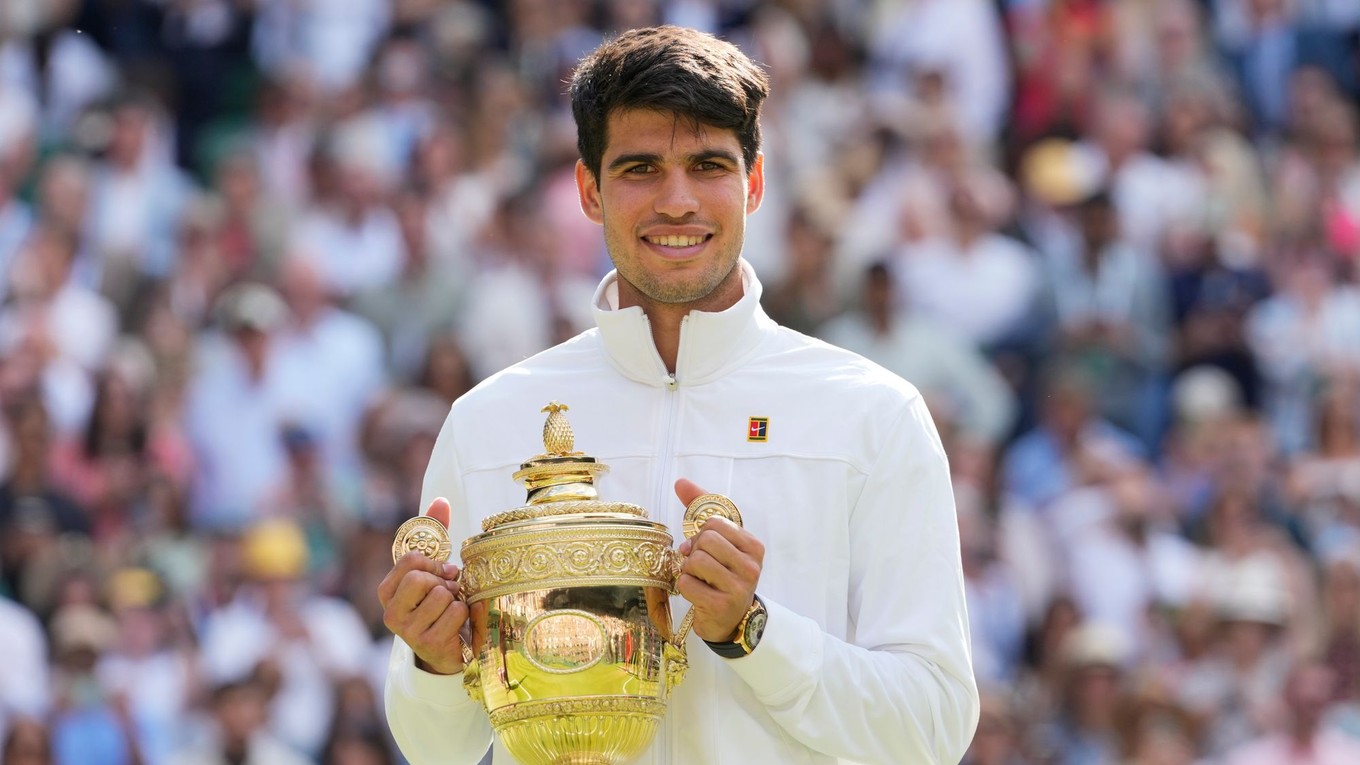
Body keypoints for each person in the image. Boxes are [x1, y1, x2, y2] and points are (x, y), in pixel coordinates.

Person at [378, 25, 978, 765]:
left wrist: (752, 630)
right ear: (588, 191)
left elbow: (936, 726)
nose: (677, 200)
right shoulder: (487, 424)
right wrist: (434, 661)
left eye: (708, 165)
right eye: (640, 168)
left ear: (754, 183)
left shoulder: (874, 415)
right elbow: (436, 746)